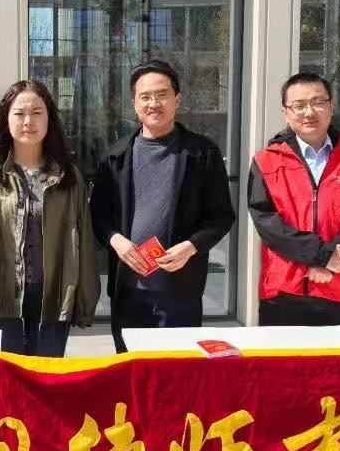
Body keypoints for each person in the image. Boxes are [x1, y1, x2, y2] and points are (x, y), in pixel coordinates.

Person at [90, 59, 235, 352]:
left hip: (180, 289)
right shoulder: (116, 156)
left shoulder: (202, 153)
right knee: (131, 369)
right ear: (134, 104)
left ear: (177, 99)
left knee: (176, 371)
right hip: (128, 289)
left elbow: (221, 217)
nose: (153, 103)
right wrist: (117, 241)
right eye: (145, 96)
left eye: (162, 94)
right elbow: (98, 214)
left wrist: (191, 247)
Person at [0, 80, 99, 356]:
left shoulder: (68, 177)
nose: (28, 121)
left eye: (37, 112)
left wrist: (84, 302)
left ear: (49, 118)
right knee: (4, 378)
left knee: (46, 376)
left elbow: (84, 241)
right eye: (19, 113)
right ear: (6, 118)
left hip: (52, 297)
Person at [247, 72, 340, 326]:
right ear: (286, 112)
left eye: (318, 102)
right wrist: (321, 255)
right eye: (299, 105)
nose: (309, 112)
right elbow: (266, 222)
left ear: (331, 106)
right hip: (283, 291)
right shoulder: (265, 161)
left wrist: (331, 260)